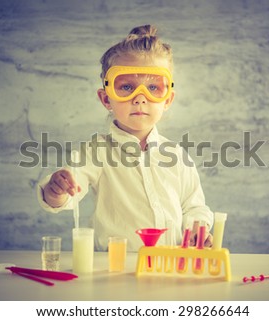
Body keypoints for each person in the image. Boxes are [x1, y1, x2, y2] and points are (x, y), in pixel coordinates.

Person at [37, 25, 214, 252]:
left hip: (169, 267)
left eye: (153, 87)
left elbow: (194, 206)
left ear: (167, 100)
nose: (140, 98)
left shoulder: (177, 155)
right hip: (116, 269)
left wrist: (198, 229)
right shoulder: (96, 152)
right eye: (127, 87)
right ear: (106, 99)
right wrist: (56, 190)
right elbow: (66, 195)